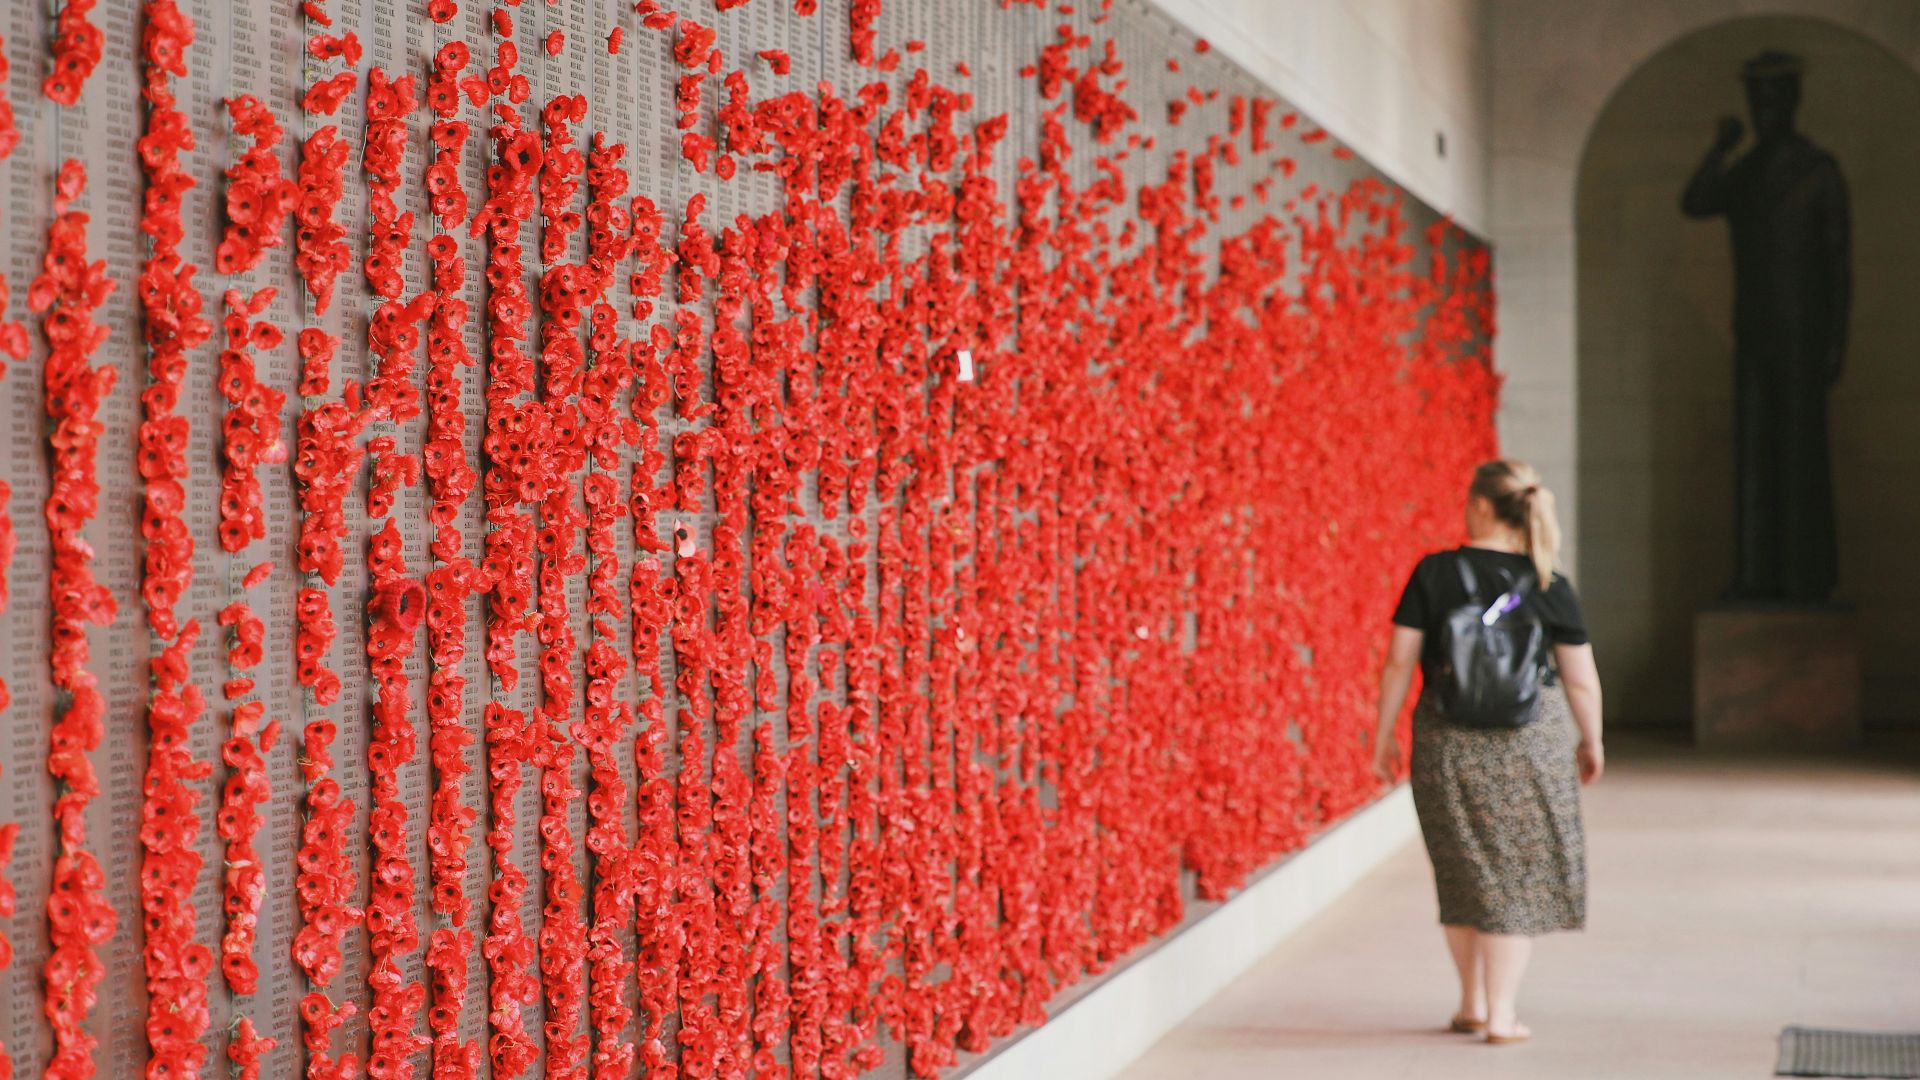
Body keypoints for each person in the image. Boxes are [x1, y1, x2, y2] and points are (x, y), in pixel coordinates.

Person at [1369, 460, 1605, 1045]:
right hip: (1530, 741)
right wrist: (1592, 738)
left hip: (1446, 740)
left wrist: (1380, 734)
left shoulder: (1435, 572)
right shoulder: (1548, 581)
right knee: (1516, 876)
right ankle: (1501, 1013)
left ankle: (1472, 1002)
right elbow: (1579, 679)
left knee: (1461, 866)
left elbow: (1400, 660)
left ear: (1478, 505)